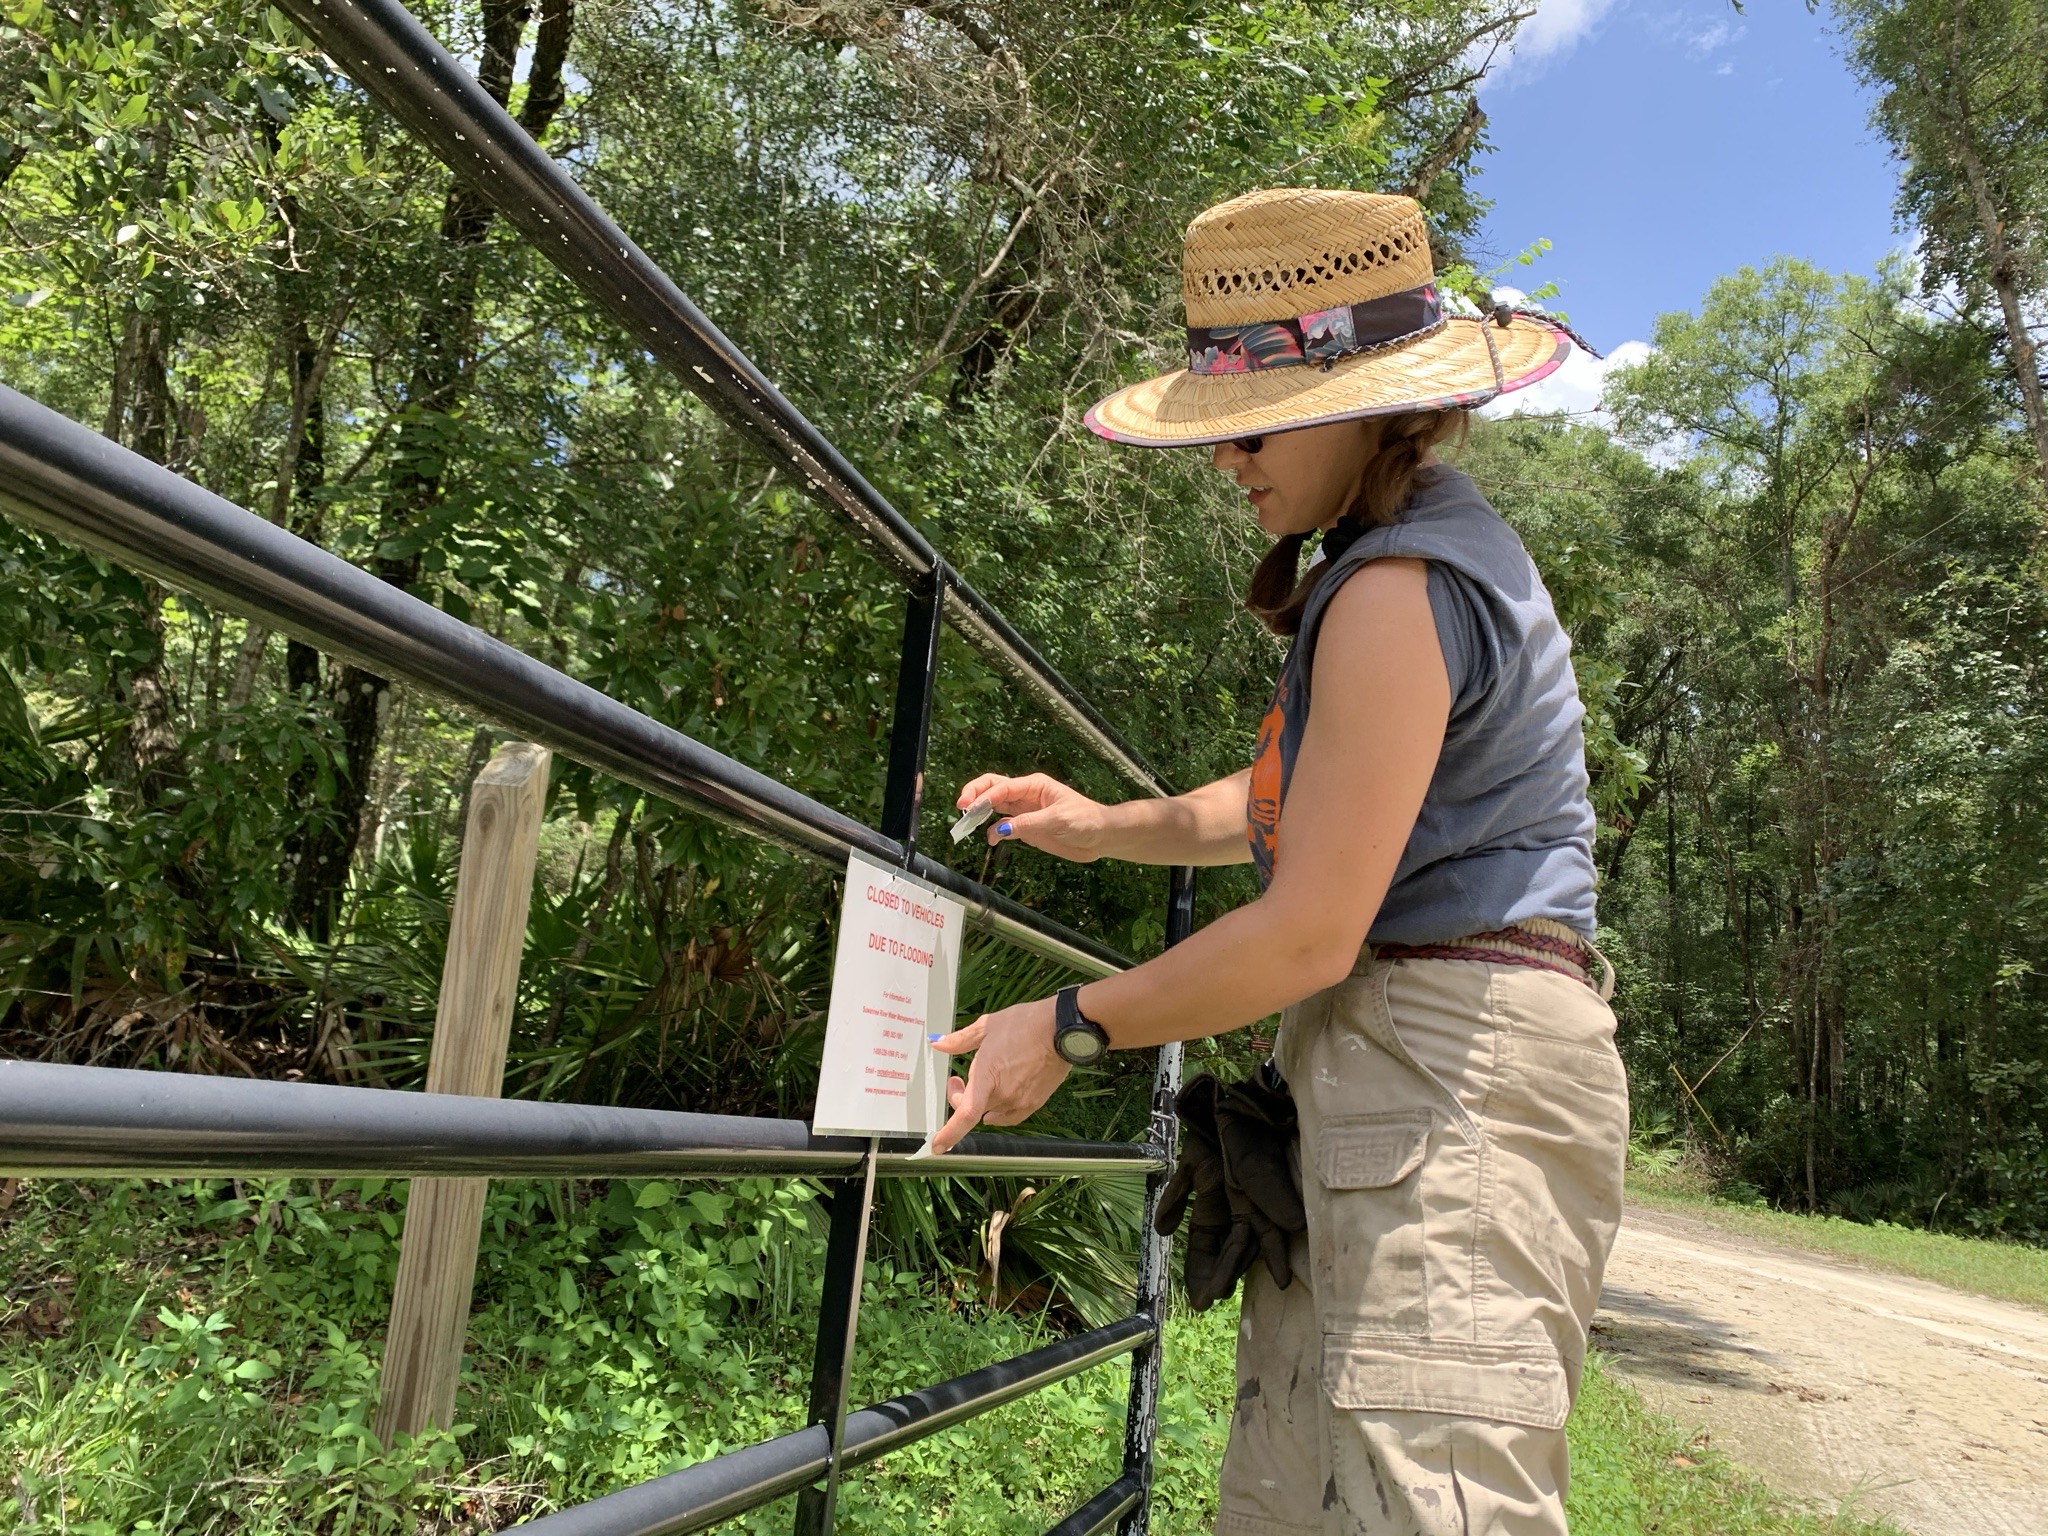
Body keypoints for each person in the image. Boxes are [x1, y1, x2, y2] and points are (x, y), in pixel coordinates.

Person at [927, 187, 1627, 1535]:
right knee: (1303, 1497)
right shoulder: (1417, 553)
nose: (1224, 458)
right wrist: (1096, 822)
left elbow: (1309, 930)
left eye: (1247, 424)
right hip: (1416, 1071)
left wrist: (1068, 1027)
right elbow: (1300, 805)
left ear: (1364, 402)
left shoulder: (1393, 589)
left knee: (1422, 1504)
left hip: (1446, 1073)